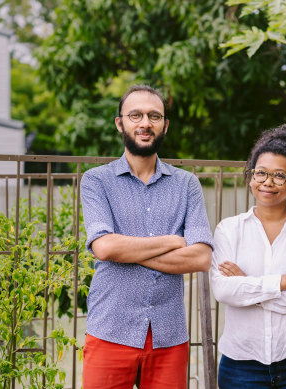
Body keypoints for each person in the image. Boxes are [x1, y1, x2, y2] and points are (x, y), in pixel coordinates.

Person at [80, 84, 213, 389]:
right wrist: (172, 241)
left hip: (169, 335)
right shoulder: (96, 181)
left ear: (165, 125)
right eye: (135, 115)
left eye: (154, 116)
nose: (145, 123)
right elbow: (104, 247)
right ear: (120, 123)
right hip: (110, 329)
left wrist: (129, 250)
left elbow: (202, 257)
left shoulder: (187, 185)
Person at [210, 124, 286, 388]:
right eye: (261, 173)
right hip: (241, 366)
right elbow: (223, 291)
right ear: (251, 176)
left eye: (279, 176)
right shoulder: (229, 230)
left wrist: (249, 286)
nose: (268, 182)